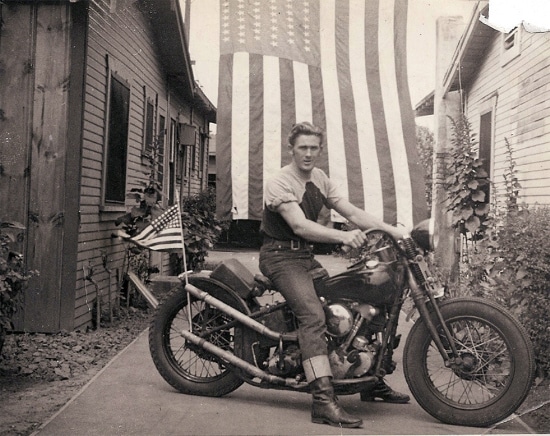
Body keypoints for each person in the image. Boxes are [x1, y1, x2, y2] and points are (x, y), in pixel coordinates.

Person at [259, 122, 409, 428]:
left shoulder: (320, 178)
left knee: (358, 298)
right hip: (279, 257)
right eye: (303, 147)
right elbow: (299, 226)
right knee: (313, 316)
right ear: (292, 149)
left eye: (314, 148)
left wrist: (394, 231)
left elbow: (351, 212)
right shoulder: (279, 181)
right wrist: (341, 237)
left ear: (320, 150)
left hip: (303, 257)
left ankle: (370, 381)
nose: (309, 153)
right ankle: (323, 402)